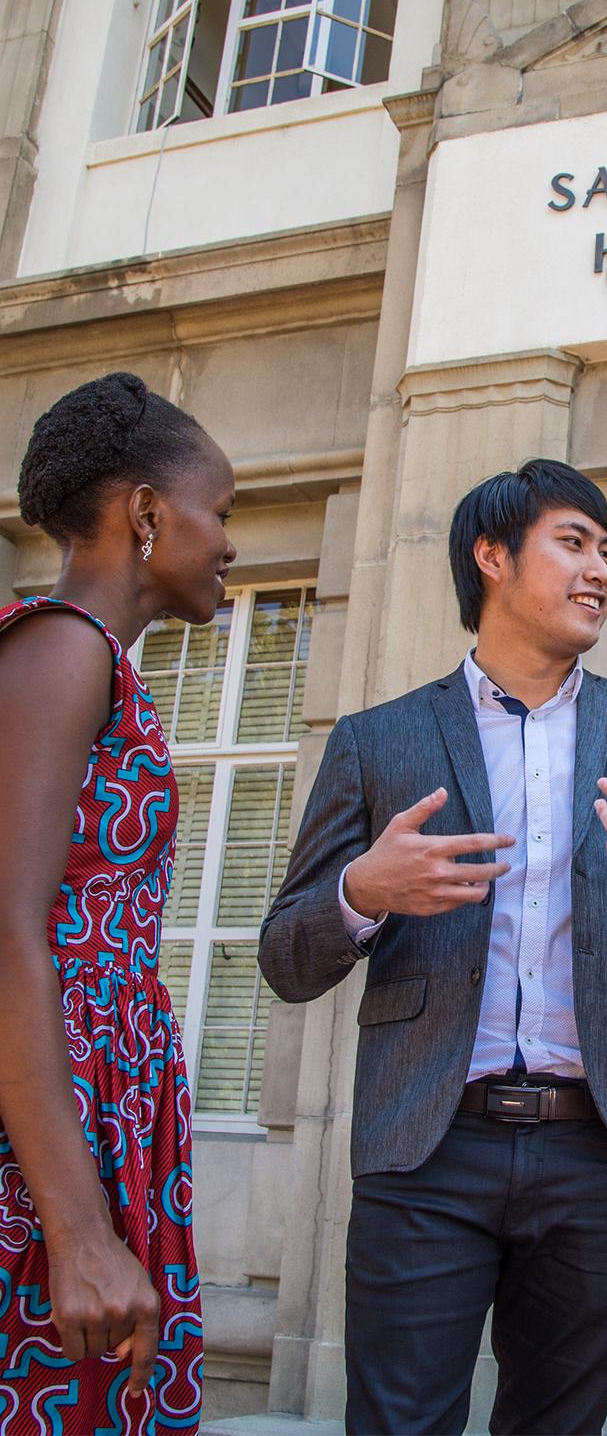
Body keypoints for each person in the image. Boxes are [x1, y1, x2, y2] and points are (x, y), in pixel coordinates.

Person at [258, 458, 607, 1436]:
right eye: (574, 543)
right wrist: (362, 892)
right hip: (427, 1148)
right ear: (492, 556)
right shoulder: (379, 741)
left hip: (602, 1151)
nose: (601, 571)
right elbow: (287, 959)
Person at [0, 372, 235, 1435]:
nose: (228, 542)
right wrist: (81, 1232)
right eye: (218, 511)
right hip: (49, 1133)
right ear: (146, 512)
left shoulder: (95, 664)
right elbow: (8, 931)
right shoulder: (59, 647)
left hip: (106, 1105)